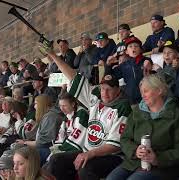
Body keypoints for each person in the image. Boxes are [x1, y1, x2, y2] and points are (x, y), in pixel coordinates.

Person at [44, 46, 132, 180]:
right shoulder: (96, 96)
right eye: (102, 88)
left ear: (118, 90)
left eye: (109, 89)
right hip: (88, 152)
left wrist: (90, 154)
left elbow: (114, 146)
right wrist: (53, 55)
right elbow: (73, 76)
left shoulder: (122, 107)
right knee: (56, 160)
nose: (105, 93)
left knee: (86, 168)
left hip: (111, 157)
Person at [107, 74, 179, 180]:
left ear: (159, 91)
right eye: (141, 92)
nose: (143, 95)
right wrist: (135, 150)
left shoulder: (176, 114)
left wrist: (157, 158)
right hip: (133, 163)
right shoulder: (136, 112)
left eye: (146, 91)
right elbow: (125, 138)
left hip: (162, 167)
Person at [16, 95, 64, 165]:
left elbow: (42, 143)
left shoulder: (50, 117)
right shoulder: (48, 115)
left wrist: (24, 143)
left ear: (42, 104)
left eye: (36, 104)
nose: (34, 107)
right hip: (45, 147)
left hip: (49, 149)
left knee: (23, 156)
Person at [111, 36, 152, 105]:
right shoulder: (123, 65)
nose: (133, 48)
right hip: (130, 98)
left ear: (141, 50)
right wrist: (108, 65)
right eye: (130, 46)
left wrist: (149, 62)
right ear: (126, 51)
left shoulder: (146, 61)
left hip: (146, 96)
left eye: (136, 46)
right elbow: (111, 76)